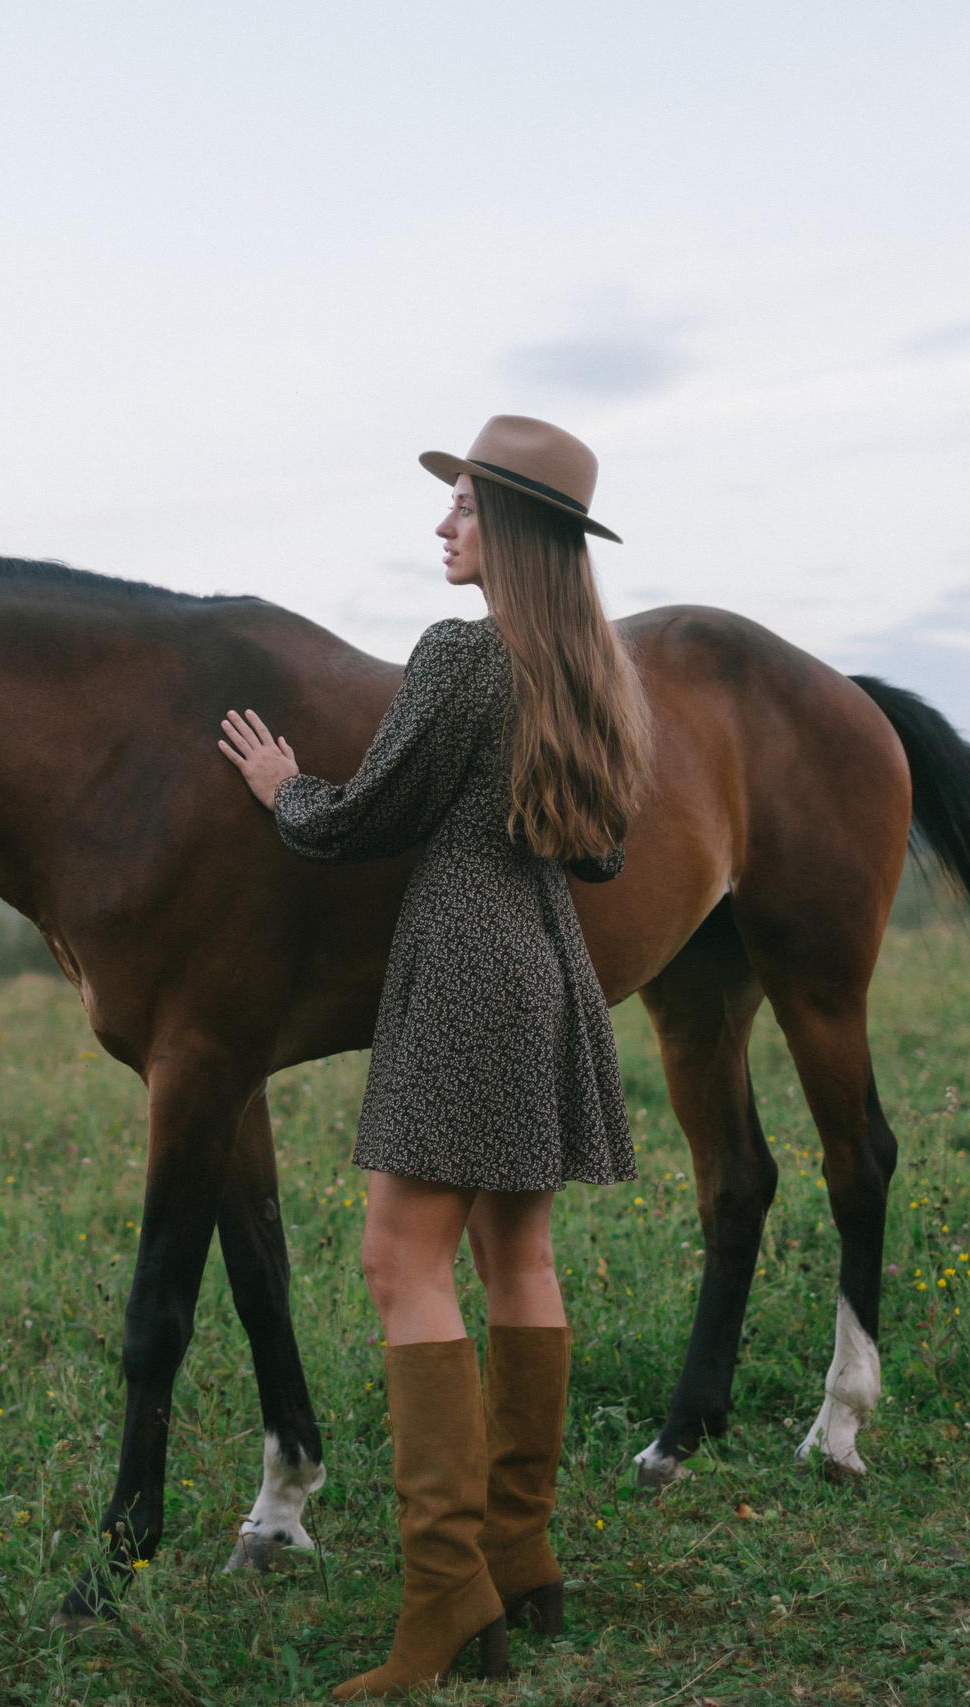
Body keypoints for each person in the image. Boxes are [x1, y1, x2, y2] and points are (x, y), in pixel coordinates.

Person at [216, 415, 651, 1699]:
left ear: (509, 531)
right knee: (518, 1253)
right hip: (550, 962)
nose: (443, 526)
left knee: (400, 1260)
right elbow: (601, 854)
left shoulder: (463, 657)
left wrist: (281, 788)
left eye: (462, 507)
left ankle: (444, 1596)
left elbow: (365, 821)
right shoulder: (592, 675)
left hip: (465, 969)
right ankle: (518, 1552)